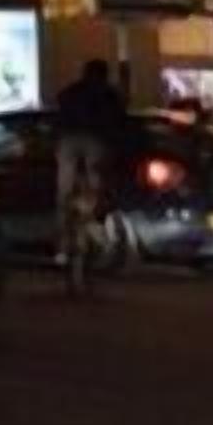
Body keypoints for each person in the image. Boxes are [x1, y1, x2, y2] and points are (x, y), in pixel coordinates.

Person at [54, 57, 126, 275]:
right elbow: (118, 122)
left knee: (64, 193)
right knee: (96, 186)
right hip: (95, 140)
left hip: (69, 141)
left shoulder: (70, 93)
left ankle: (63, 247)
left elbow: (59, 114)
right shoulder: (109, 95)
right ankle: (94, 223)